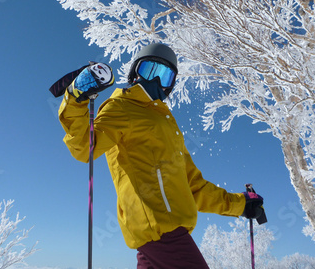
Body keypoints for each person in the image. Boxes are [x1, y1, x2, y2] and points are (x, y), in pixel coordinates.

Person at [57, 43, 264, 269]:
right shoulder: (121, 107)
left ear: (171, 85)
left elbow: (194, 188)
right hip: (160, 228)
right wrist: (75, 97)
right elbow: (84, 147)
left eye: (164, 76)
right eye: (149, 70)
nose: (155, 81)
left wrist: (240, 204)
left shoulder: (169, 127)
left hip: (161, 236)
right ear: (135, 73)